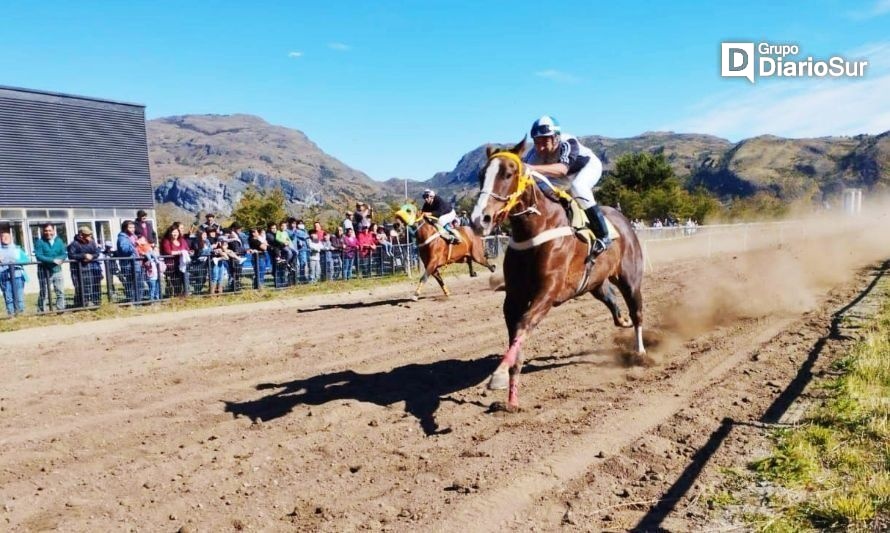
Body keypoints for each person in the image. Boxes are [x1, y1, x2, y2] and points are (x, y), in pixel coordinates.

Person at [525, 115, 610, 254]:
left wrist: (532, 168)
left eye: (544, 141)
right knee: (540, 192)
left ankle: (603, 235)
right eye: (537, 142)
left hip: (586, 167)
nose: (540, 147)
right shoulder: (533, 154)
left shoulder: (568, 142)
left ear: (556, 138)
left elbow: (562, 169)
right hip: (562, 176)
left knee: (578, 187)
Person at [34, 223, 67, 312]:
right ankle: (42, 311)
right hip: (44, 271)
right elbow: (39, 256)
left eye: (50, 230)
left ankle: (60, 309)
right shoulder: (40, 242)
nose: (48, 232)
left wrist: (60, 259)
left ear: (53, 230)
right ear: (43, 231)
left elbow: (64, 254)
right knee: (44, 292)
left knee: (60, 291)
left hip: (57, 270)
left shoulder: (59, 241)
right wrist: (53, 260)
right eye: (46, 230)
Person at [67, 226, 103, 307]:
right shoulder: (74, 244)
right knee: (80, 287)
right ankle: (79, 305)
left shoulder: (92, 242)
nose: (90, 236)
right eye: (88, 234)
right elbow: (71, 255)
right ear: (81, 235)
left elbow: (96, 253)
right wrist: (84, 256)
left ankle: (91, 303)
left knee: (91, 286)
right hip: (77, 270)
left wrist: (91, 257)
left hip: (90, 268)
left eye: (90, 234)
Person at [0, 230, 28, 316]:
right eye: (3, 237)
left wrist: (15, 261)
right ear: (0, 239)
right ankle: (11, 315)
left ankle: (21, 314)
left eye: (7, 237)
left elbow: (26, 260)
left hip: (18, 277)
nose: (5, 238)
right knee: (8, 297)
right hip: (4, 277)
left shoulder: (17, 249)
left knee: (19, 297)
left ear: (11, 238)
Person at [115, 220, 144, 302]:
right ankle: (132, 301)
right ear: (125, 228)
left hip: (137, 263)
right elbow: (124, 250)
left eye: (133, 227)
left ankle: (138, 301)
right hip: (128, 264)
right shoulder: (122, 238)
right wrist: (135, 244)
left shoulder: (133, 236)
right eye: (130, 227)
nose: (132, 229)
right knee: (131, 284)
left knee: (139, 283)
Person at [160, 224, 192, 297]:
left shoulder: (182, 240)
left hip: (181, 264)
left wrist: (189, 252)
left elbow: (187, 248)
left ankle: (182, 296)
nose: (175, 234)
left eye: (176, 232)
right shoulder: (166, 241)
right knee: (174, 282)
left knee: (182, 281)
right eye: (173, 232)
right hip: (171, 265)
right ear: (170, 232)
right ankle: (172, 297)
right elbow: (168, 252)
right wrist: (180, 252)